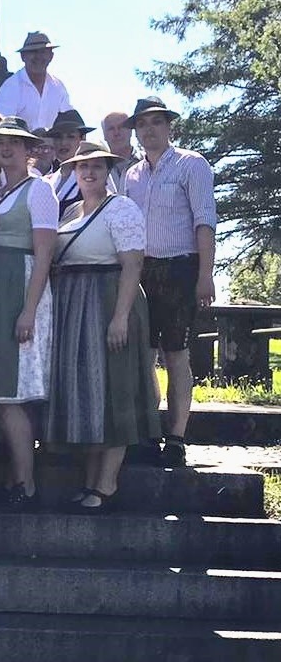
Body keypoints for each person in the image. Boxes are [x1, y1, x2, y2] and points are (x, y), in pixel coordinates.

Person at [46, 142, 161, 511]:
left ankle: (107, 481)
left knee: (115, 387)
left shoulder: (121, 208)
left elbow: (132, 265)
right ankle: (90, 477)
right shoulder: (69, 213)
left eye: (97, 166)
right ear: (75, 172)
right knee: (85, 392)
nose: (89, 173)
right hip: (73, 304)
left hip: (110, 297)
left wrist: (120, 316)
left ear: (108, 170)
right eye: (83, 167)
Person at [123, 96, 217, 467]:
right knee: (142, 356)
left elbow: (204, 220)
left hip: (180, 267)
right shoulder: (131, 174)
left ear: (169, 126)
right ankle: (148, 430)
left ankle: (176, 436)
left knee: (176, 354)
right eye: (143, 124)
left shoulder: (191, 164)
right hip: (142, 270)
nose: (149, 130)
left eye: (156, 122)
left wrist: (205, 274)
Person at [0, 117, 58, 510]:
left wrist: (28, 310)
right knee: (1, 392)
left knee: (11, 394)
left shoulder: (39, 190)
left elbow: (44, 253)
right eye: (0, 142)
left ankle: (25, 484)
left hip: (20, 286)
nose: (6, 148)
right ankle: (15, 477)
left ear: (29, 150)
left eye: (15, 143)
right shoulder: (0, 191)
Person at [0, 31, 71, 131]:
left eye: (43, 52)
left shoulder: (58, 87)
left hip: (52, 146)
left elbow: (68, 122)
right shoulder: (10, 88)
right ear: (23, 56)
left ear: (51, 56)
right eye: (33, 51)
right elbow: (5, 128)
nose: (38, 56)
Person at [43, 109, 96, 217]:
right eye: (58, 137)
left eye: (70, 136)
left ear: (82, 139)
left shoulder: (95, 175)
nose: (63, 142)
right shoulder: (47, 180)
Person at [101, 111, 140, 193]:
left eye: (121, 127)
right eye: (111, 129)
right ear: (104, 135)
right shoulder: (98, 168)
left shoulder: (148, 163)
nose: (116, 133)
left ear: (131, 131)